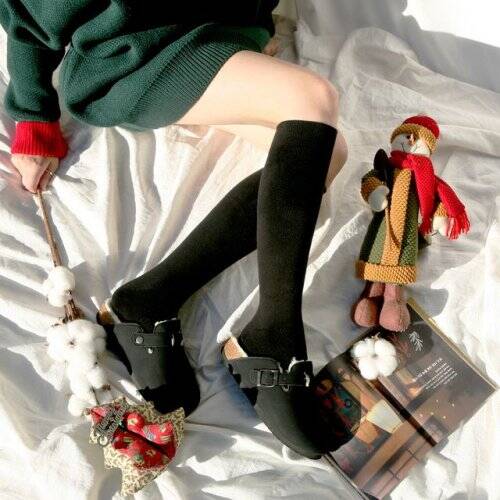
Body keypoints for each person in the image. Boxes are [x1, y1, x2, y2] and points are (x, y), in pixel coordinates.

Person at [0, 1, 348, 459]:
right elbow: (26, 14)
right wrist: (33, 116)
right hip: (134, 58)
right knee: (314, 99)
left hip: (211, 34)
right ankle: (276, 337)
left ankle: (148, 300)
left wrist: (253, 26)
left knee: (329, 152)